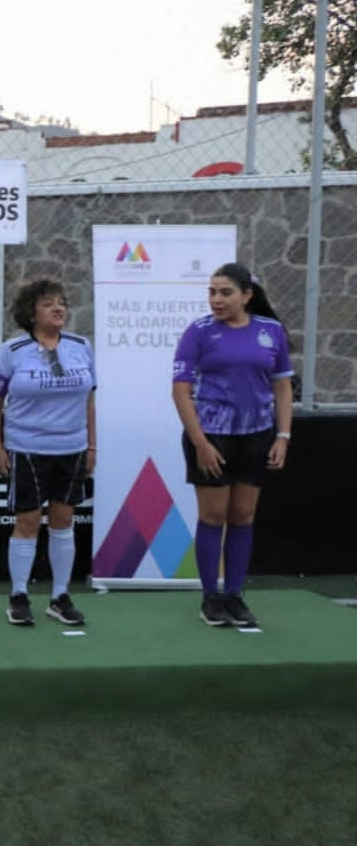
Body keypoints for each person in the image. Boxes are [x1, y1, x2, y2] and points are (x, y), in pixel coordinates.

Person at [171, 262, 293, 629]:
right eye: (211, 292)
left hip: (257, 435)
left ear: (246, 296)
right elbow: (180, 391)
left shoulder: (271, 332)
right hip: (212, 435)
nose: (216, 299)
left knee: (243, 516)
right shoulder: (199, 332)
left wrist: (283, 436)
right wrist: (200, 442)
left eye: (225, 292)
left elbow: (283, 386)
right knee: (213, 517)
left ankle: (234, 596)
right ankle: (211, 598)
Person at [0, 279, 95, 627]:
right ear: (31, 312)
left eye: (62, 302)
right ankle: (19, 596)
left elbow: (89, 398)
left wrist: (91, 444)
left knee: (64, 520)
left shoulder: (81, 346)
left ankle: (60, 597)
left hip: (72, 448)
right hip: (27, 448)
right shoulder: (12, 351)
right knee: (28, 522)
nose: (58, 308)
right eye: (48, 303)